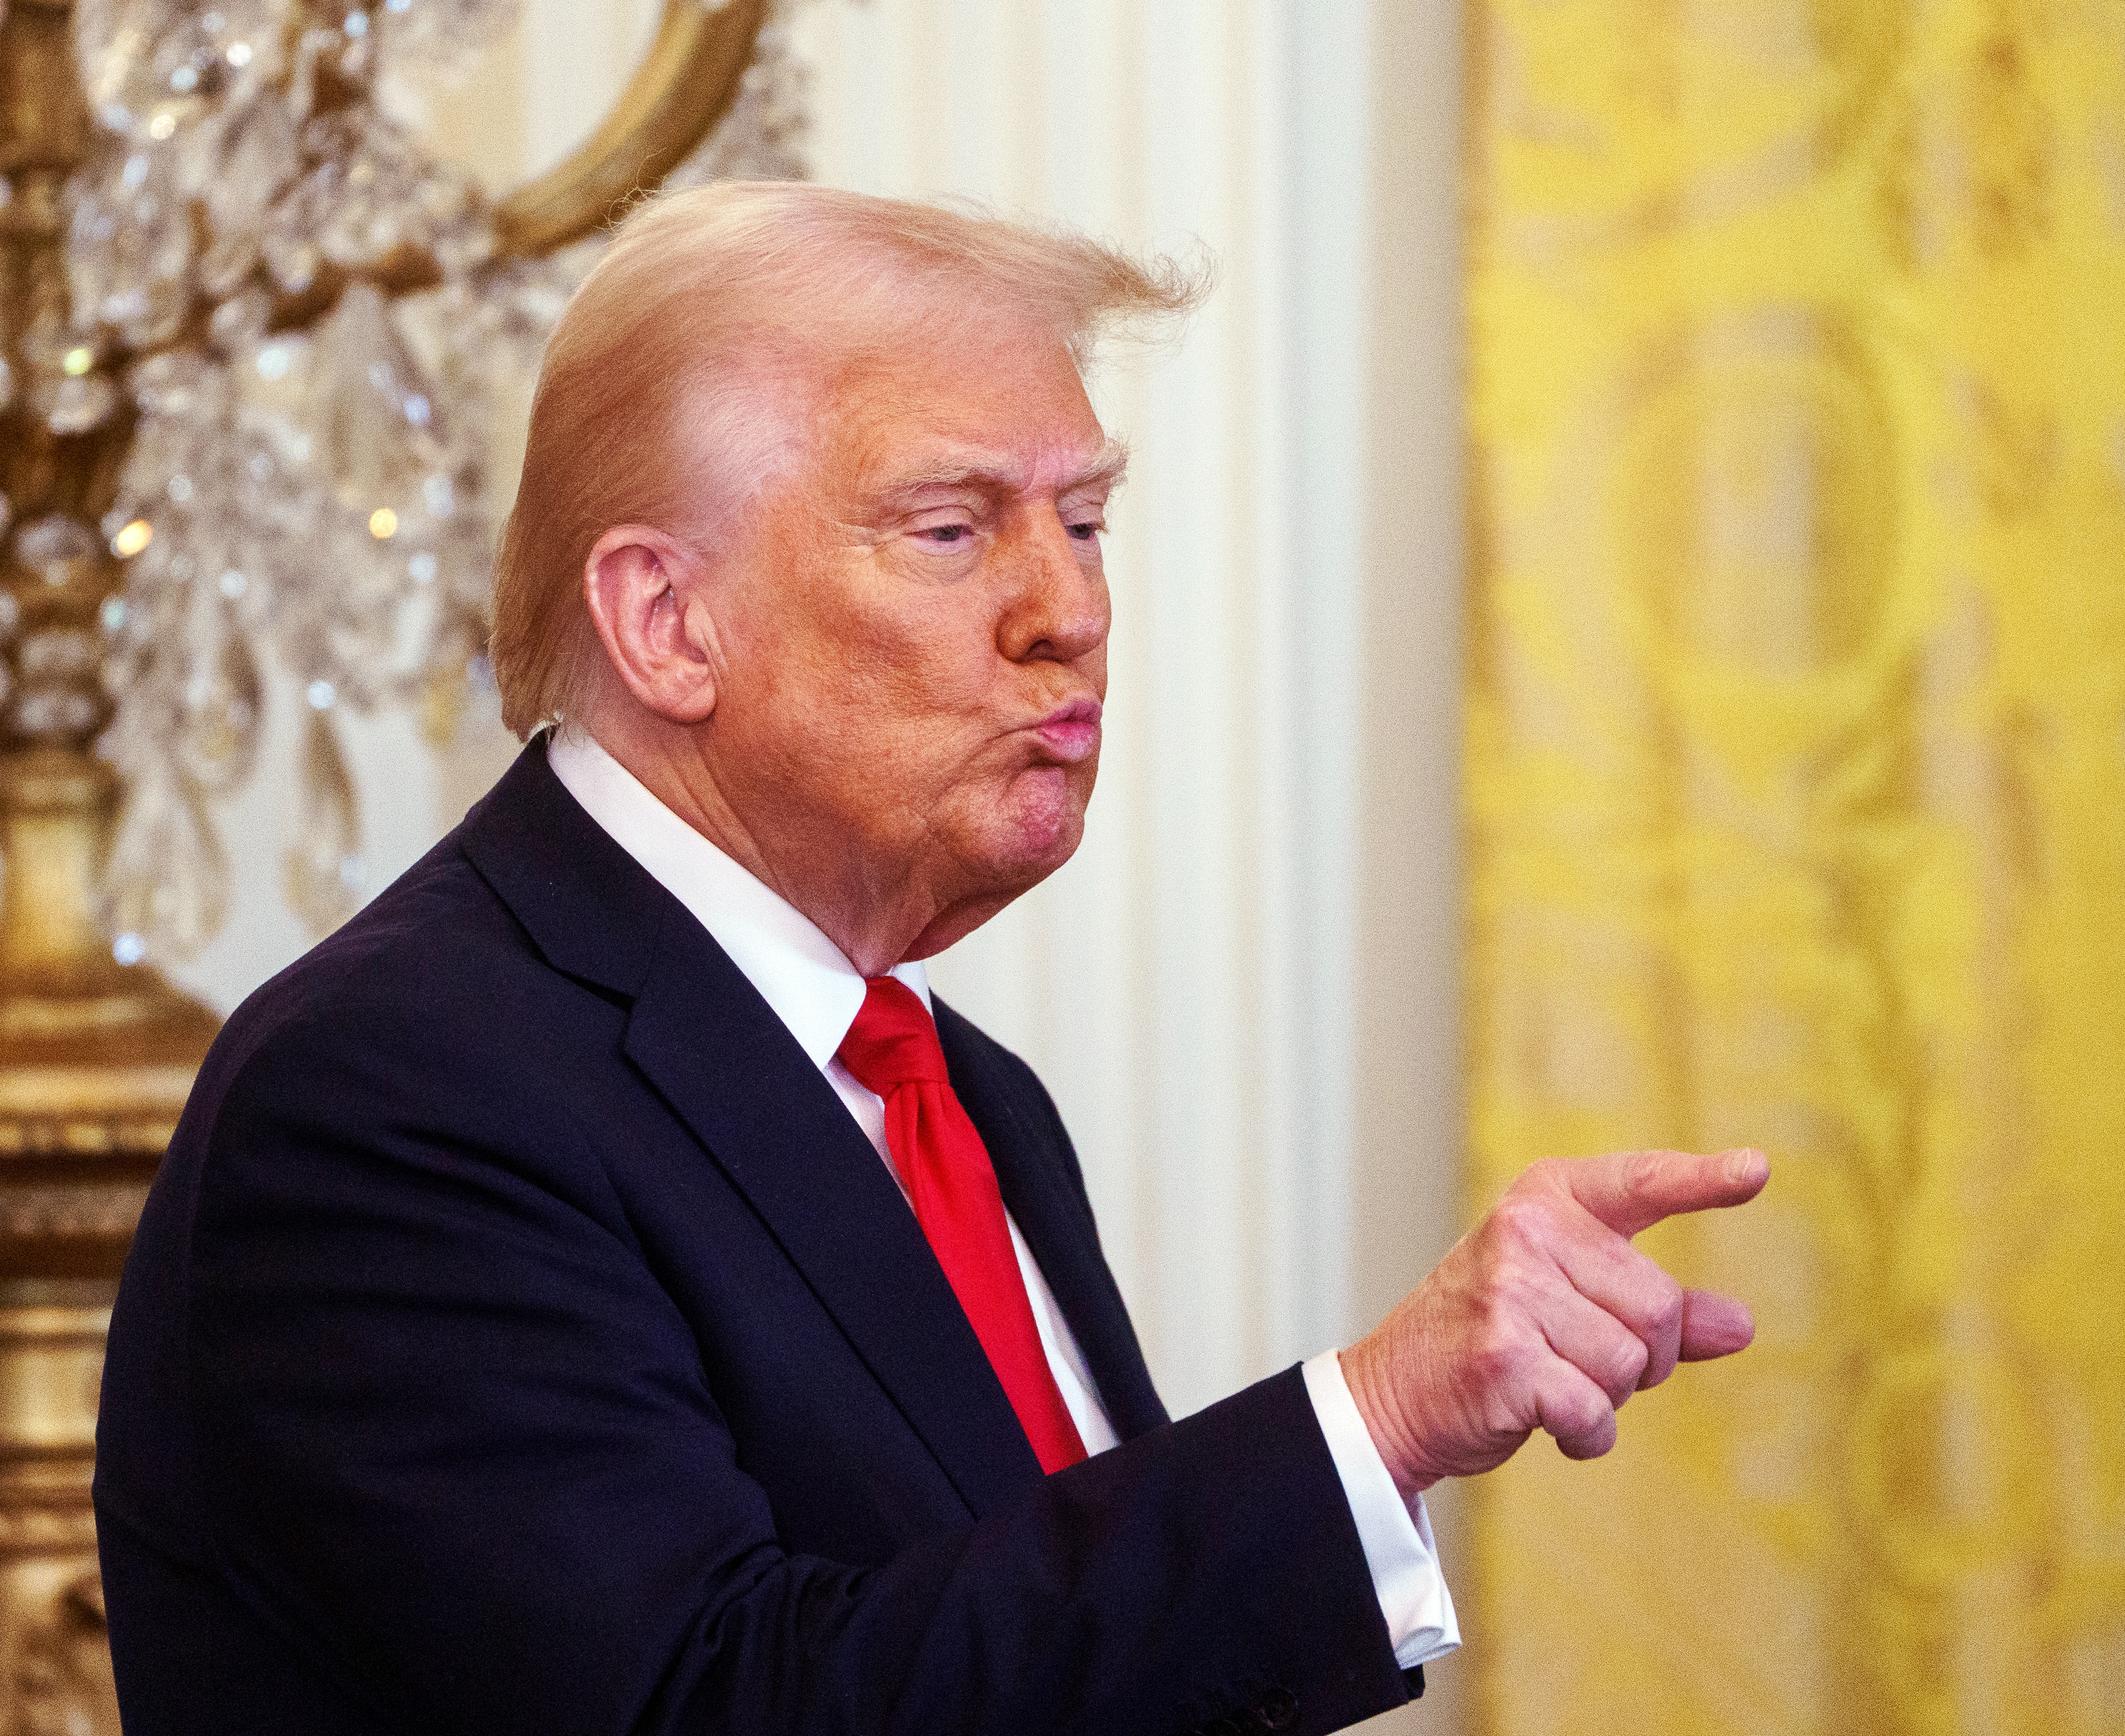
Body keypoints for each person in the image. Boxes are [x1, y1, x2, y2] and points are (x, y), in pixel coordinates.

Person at [94, 182, 1768, 1735]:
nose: (1072, 612)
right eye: (953, 529)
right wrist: (1371, 1424)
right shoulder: (392, 1091)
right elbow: (712, 1707)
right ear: (668, 624)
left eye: (1085, 520)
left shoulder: (962, 1094)